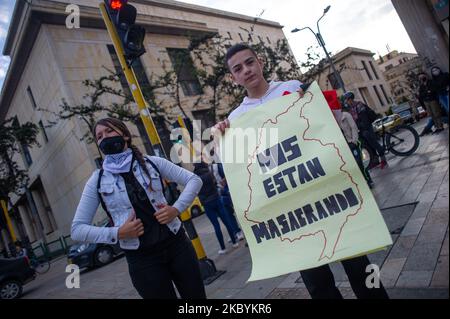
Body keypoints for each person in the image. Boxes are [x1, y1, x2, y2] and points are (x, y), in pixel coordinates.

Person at [214, 43, 389, 299]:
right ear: (233, 77)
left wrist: (318, 103)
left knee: (361, 267)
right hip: (293, 214)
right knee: (317, 284)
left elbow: (331, 126)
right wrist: (223, 137)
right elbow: (240, 164)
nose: (247, 70)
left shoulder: (293, 88)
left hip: (330, 197)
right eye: (238, 69)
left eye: (249, 62)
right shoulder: (236, 118)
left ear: (260, 62)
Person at [71, 117, 206, 299]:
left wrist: (175, 209)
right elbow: (77, 230)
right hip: (142, 260)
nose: (104, 137)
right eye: (100, 136)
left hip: (177, 246)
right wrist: (117, 233)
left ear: (125, 135)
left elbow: (194, 180)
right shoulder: (97, 180)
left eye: (109, 131)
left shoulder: (152, 162)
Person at [193, 162, 239, 254]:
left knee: (216, 226)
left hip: (207, 204)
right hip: (217, 199)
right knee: (226, 221)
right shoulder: (209, 172)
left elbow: (195, 190)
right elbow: (215, 183)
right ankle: (234, 242)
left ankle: (223, 248)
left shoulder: (195, 177)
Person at [343, 92, 388, 170]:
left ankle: (384, 160)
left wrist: (361, 127)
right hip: (362, 130)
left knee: (375, 144)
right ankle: (375, 161)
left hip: (367, 128)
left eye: (346, 100)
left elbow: (364, 119)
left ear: (350, 99)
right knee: (369, 145)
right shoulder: (351, 108)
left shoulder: (359, 105)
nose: (345, 102)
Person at [333, 107, 375, 189]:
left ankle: (368, 180)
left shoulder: (346, 115)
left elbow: (354, 127)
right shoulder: (333, 121)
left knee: (359, 162)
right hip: (345, 146)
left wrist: (354, 141)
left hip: (354, 142)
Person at [211, 161, 245, 242]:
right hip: (221, 192)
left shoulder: (217, 165)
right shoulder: (209, 167)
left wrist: (224, 180)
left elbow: (228, 174)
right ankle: (236, 232)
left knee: (238, 211)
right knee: (228, 214)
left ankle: (241, 231)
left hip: (228, 190)